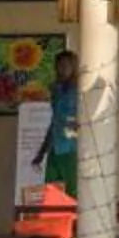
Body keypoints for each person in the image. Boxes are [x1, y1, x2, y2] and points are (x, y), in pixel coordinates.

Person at [43, 49, 79, 191]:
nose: (61, 69)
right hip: (55, 146)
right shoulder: (55, 89)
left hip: (71, 146)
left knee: (72, 191)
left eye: (65, 65)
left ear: (73, 67)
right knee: (51, 190)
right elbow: (55, 120)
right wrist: (42, 150)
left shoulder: (79, 89)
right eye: (59, 66)